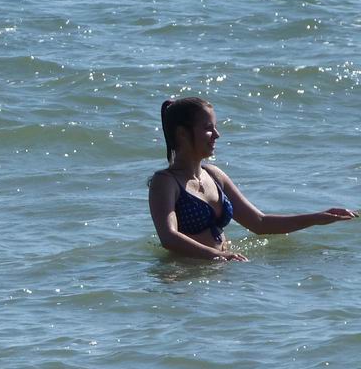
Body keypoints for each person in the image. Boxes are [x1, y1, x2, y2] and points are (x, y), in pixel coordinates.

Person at [148, 97, 354, 261]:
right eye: (208, 128)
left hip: (218, 270)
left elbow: (260, 223)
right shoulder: (165, 182)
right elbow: (169, 237)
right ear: (182, 134)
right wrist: (217, 255)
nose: (217, 135)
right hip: (183, 276)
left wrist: (317, 218)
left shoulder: (214, 175)